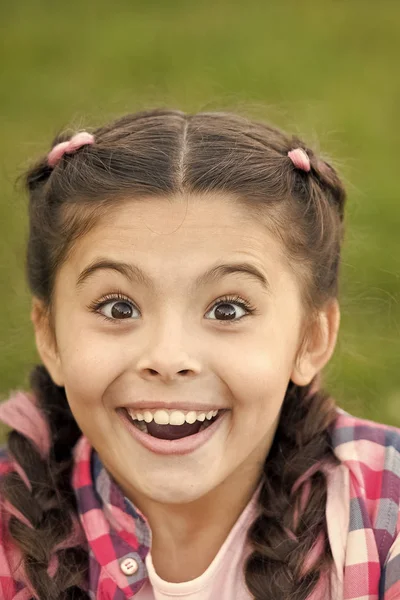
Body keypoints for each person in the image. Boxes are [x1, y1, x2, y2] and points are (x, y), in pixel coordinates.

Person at [0, 109, 398, 600]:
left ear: (310, 339)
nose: (168, 357)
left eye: (227, 309)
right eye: (118, 307)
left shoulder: (387, 513)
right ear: (51, 337)